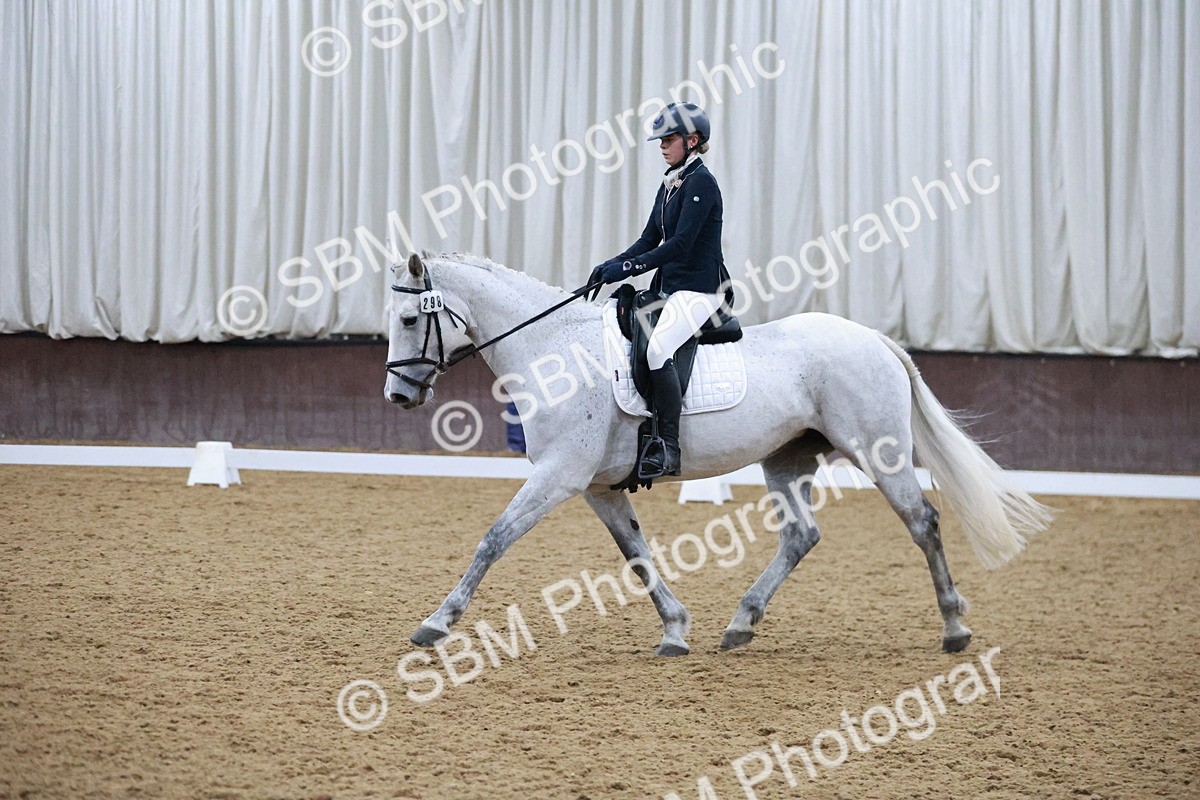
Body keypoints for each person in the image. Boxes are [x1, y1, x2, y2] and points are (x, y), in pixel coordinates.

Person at [587, 101, 731, 477]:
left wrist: (630, 268)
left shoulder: (701, 183)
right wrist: (611, 266)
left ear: (693, 140)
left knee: (657, 349)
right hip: (671, 289)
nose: (662, 146)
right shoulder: (671, 181)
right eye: (661, 139)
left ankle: (667, 445)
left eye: (669, 139)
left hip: (700, 291)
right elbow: (649, 238)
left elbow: (680, 244)